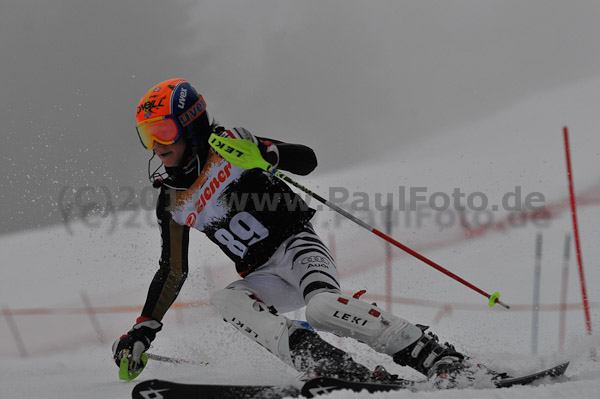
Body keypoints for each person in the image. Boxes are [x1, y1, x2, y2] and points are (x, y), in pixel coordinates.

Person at [112, 78, 500, 388]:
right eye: (147, 135)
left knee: (321, 308)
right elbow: (172, 270)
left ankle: (432, 354)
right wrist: (143, 331)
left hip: (297, 247)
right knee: (225, 300)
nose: (157, 146)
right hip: (262, 276)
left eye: (163, 131)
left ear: (192, 127)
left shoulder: (227, 146)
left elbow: (307, 159)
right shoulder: (173, 201)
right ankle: (321, 359)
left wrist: (263, 155)